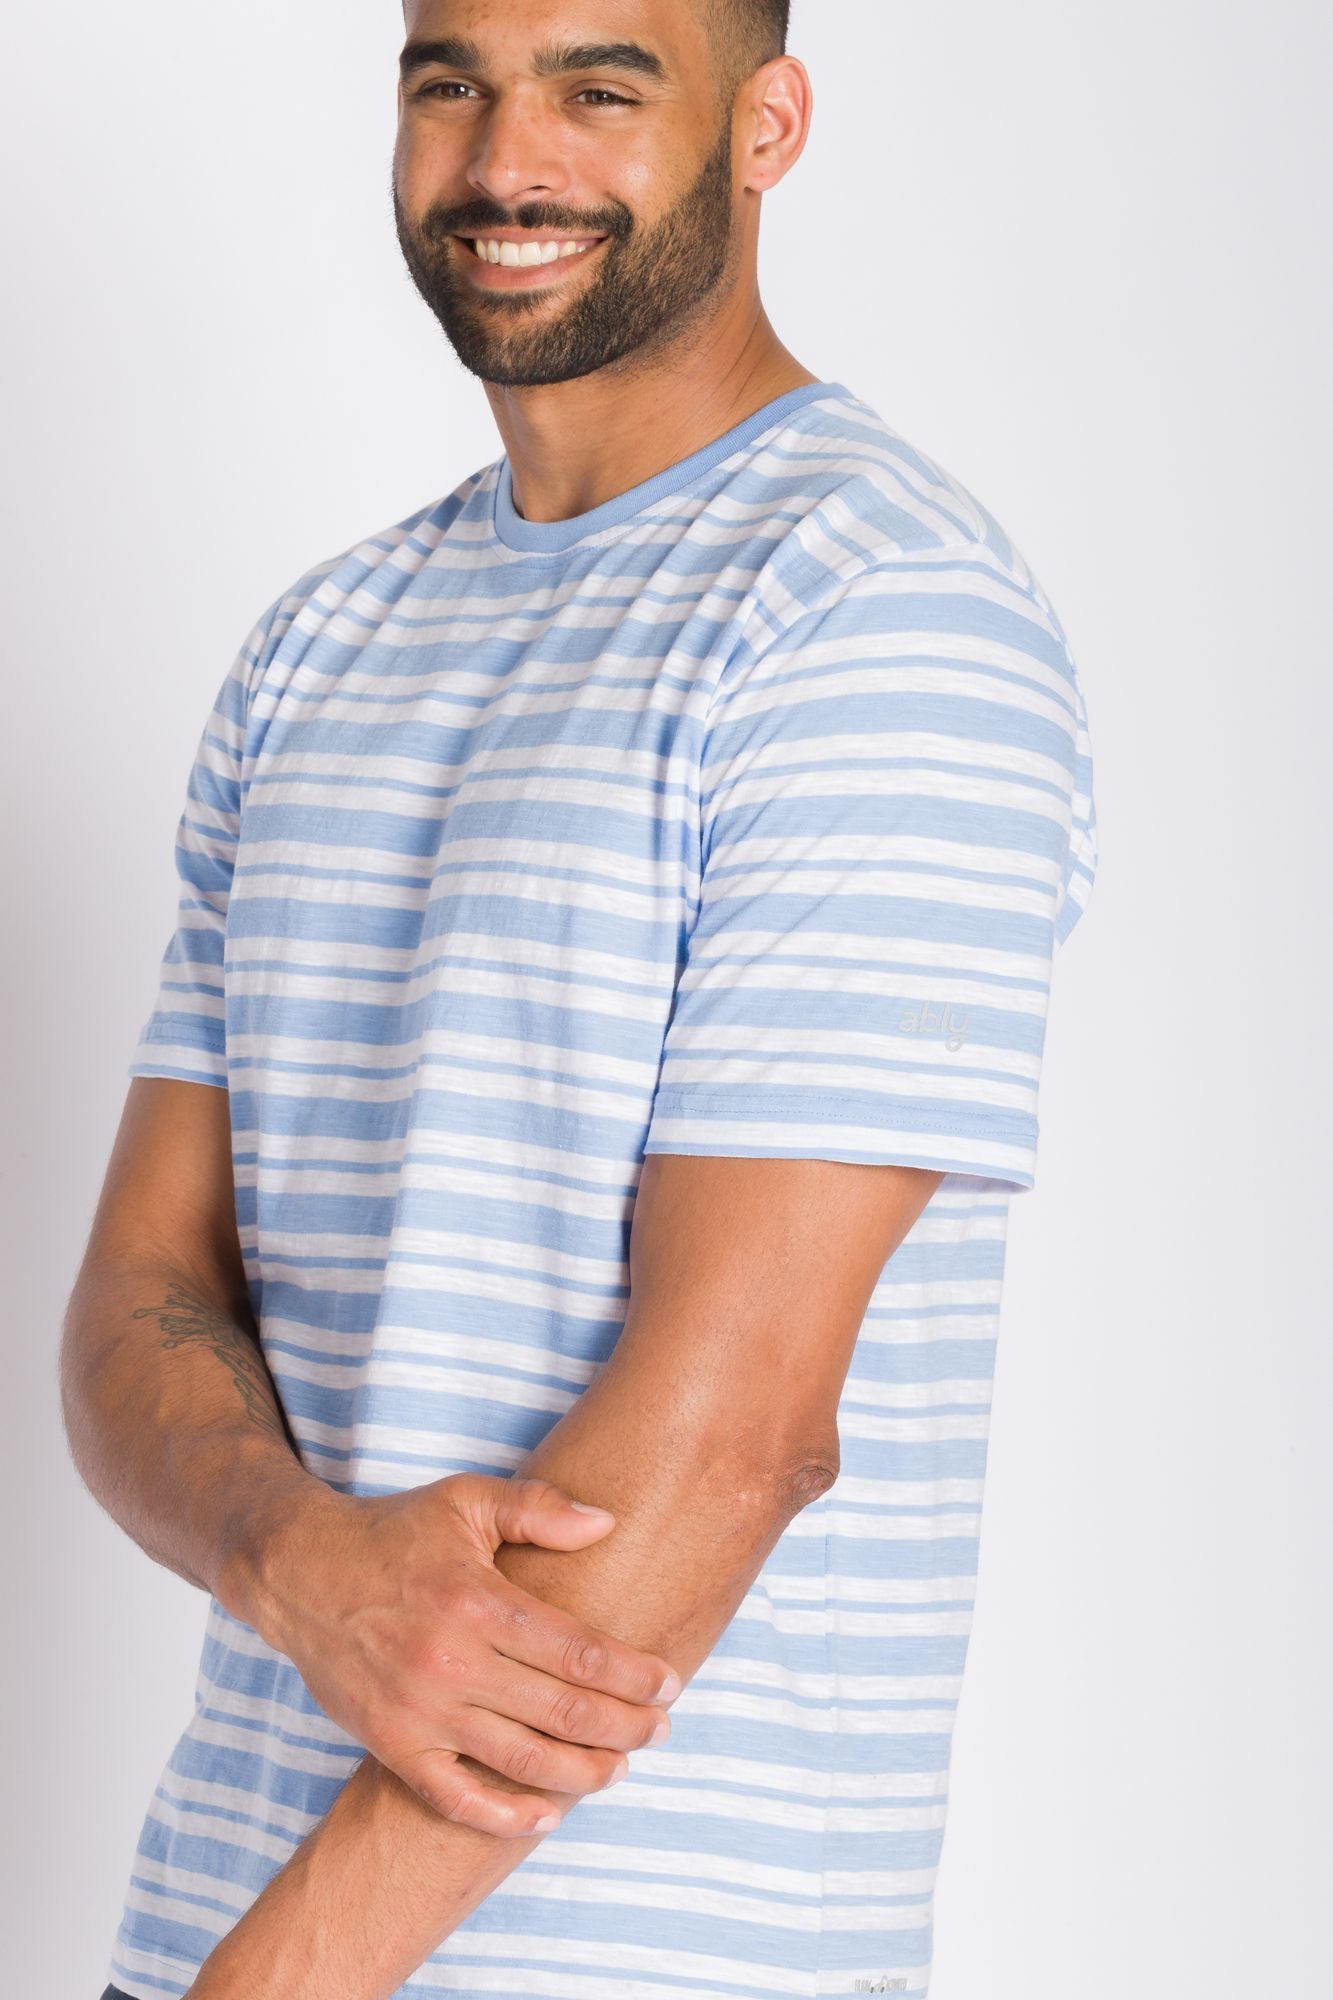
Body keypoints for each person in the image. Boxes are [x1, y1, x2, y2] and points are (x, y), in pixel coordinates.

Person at [65, 2, 1098, 1996]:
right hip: (210, 1911)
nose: (503, 161)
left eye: (600, 88)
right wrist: (300, 1559)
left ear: (765, 125)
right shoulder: (316, 648)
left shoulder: (878, 613)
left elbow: (737, 1431)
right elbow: (139, 1296)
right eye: (449, 82)